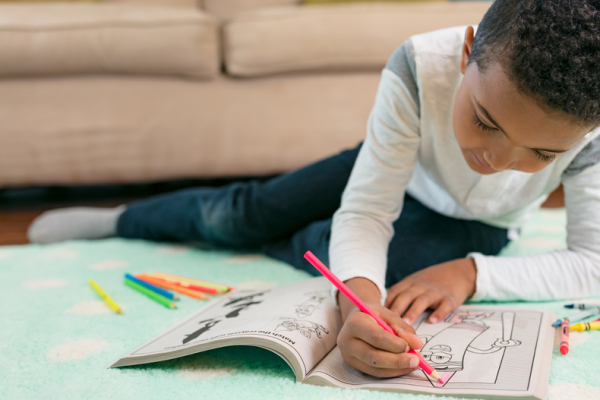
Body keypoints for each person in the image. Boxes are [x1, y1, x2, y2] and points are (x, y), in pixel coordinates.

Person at [28, 0, 600, 379]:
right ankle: (124, 218)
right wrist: (358, 293)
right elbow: (370, 206)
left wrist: (470, 273)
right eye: (487, 121)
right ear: (466, 51)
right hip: (391, 171)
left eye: (543, 154)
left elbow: (593, 263)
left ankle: (300, 241)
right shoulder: (419, 65)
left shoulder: (589, 127)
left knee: (401, 271)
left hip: (475, 228)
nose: (496, 160)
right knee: (244, 214)